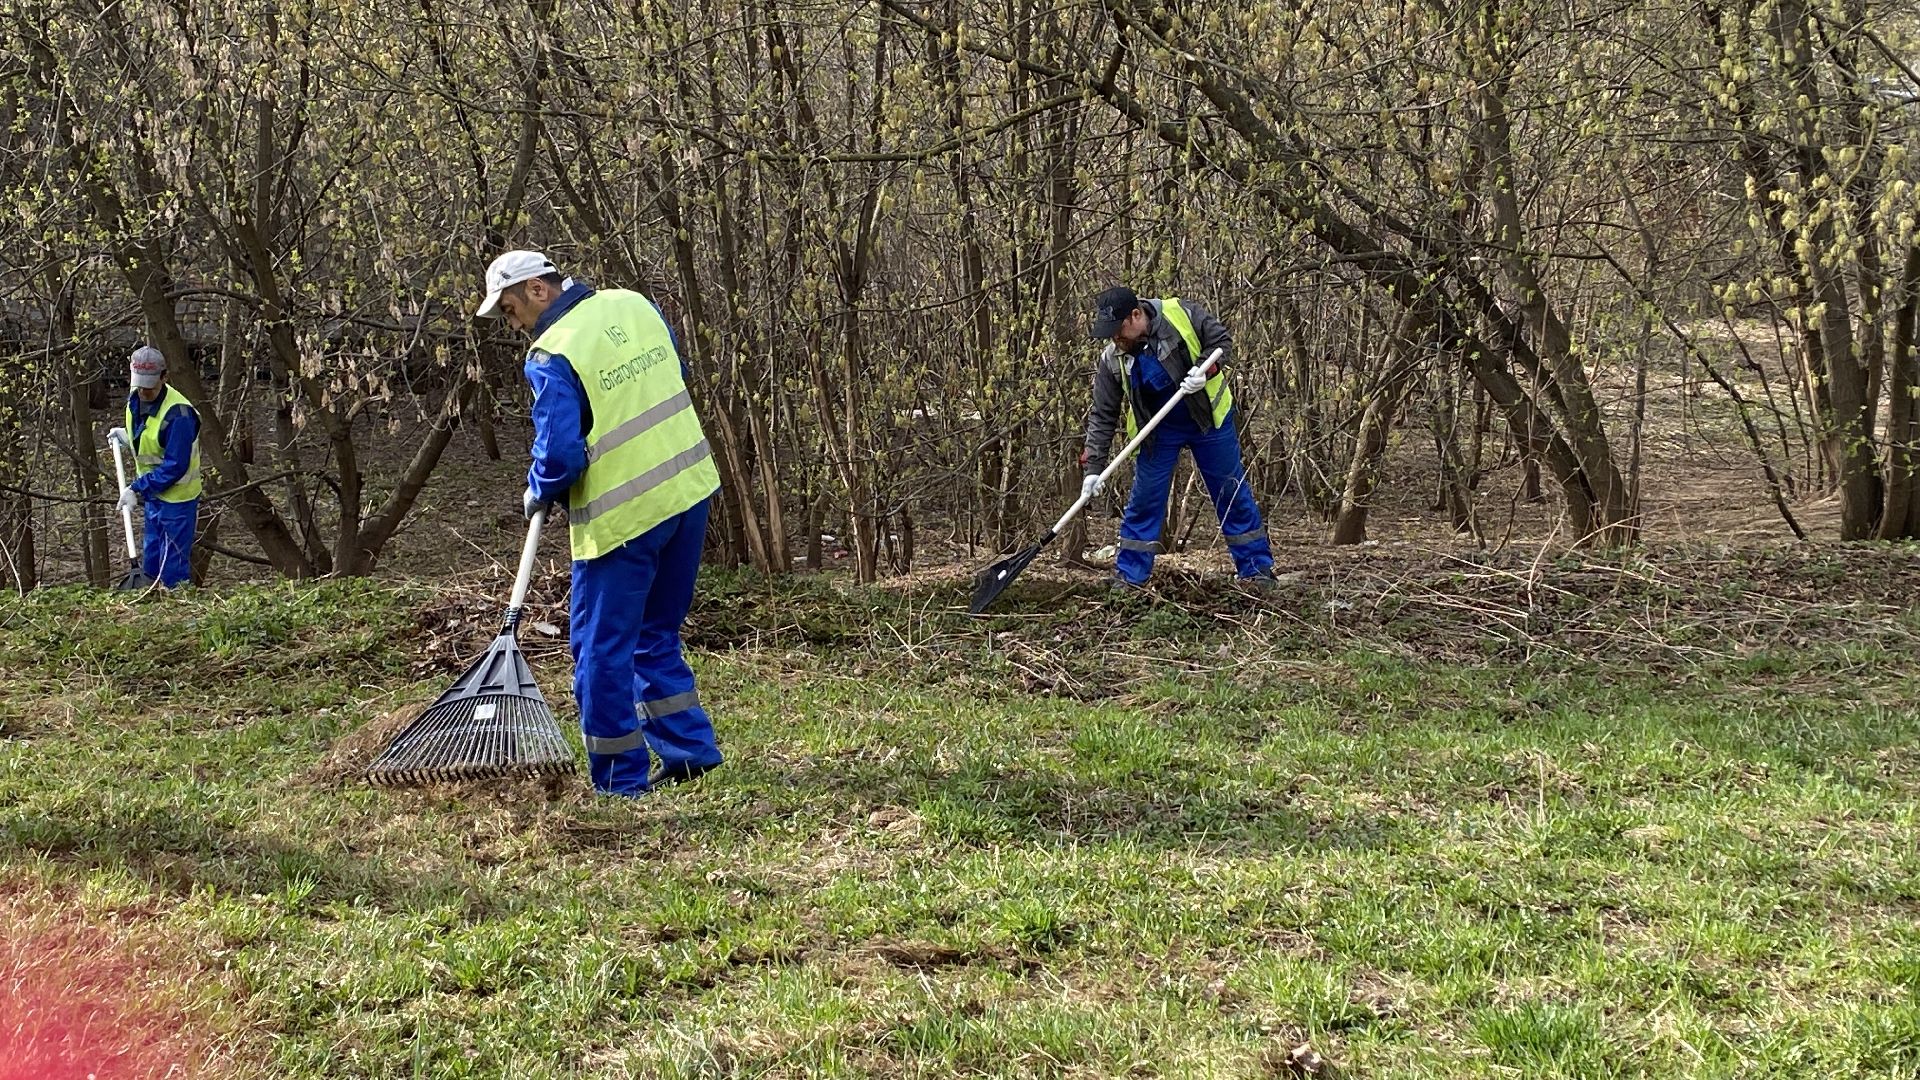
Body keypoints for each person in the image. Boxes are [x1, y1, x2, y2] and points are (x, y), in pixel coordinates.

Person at [476, 250, 724, 796]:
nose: (514, 325)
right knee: (654, 634)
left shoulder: (551, 353)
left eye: (512, 310)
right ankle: (690, 753)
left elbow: (561, 452)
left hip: (623, 518)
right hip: (688, 492)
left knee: (600, 651)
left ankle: (619, 779)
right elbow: (667, 379)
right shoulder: (633, 305)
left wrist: (538, 488)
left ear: (538, 289)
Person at [1080, 286, 1277, 593]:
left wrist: (1205, 370)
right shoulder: (1112, 358)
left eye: (1119, 329)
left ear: (1136, 315)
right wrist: (1094, 467)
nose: (1115, 338)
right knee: (1145, 501)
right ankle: (1131, 577)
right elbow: (1102, 415)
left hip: (1207, 422)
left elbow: (1222, 343)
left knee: (1230, 492)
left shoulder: (1181, 314)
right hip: (1157, 431)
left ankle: (1256, 570)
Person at [106, 345, 200, 588]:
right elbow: (151, 438)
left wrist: (136, 489)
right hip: (154, 495)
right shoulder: (135, 398)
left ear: (164, 377)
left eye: (150, 385)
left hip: (177, 500)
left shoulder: (179, 415)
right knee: (152, 557)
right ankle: (149, 600)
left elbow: (174, 466)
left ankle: (174, 609)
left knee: (172, 567)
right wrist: (129, 437)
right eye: (140, 384)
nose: (144, 391)